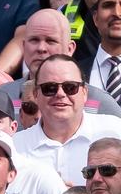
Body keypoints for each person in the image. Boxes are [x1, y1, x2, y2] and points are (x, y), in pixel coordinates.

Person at [14, 54, 121, 186]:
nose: (60, 94)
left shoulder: (115, 131)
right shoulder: (14, 147)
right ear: (36, 94)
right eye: (49, 88)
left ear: (84, 93)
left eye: (70, 87)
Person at [0, 9, 121, 119]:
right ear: (24, 46)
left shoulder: (101, 103)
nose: (41, 48)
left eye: (51, 41)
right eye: (34, 40)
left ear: (70, 49)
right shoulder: (1, 97)